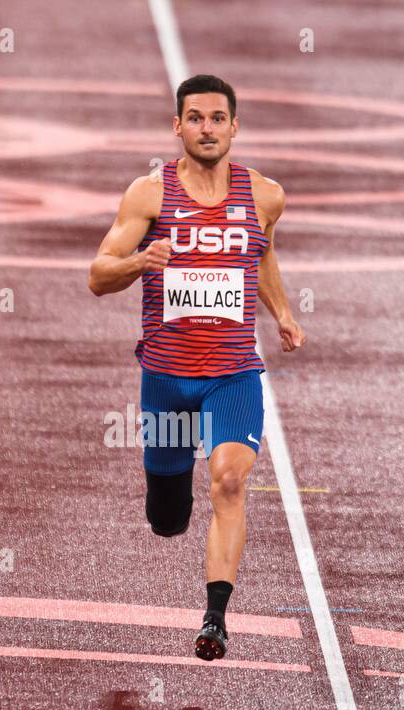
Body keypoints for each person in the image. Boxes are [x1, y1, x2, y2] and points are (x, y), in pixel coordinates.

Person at [89, 75, 306, 660]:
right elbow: (97, 275)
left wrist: (282, 312)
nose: (206, 128)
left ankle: (215, 617)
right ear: (177, 126)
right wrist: (141, 260)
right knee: (168, 518)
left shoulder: (264, 196)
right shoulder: (149, 195)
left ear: (235, 126)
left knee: (230, 481)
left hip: (233, 374)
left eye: (217, 118)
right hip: (165, 378)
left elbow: (260, 254)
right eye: (195, 118)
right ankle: (165, 498)